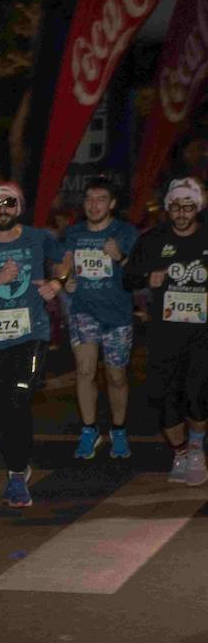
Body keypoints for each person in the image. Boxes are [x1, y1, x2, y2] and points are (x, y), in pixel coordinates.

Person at [0, 182, 69, 506]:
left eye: (8, 203)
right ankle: (16, 466)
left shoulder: (38, 238)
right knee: (1, 406)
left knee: (19, 395)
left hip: (31, 334)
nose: (2, 209)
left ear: (18, 207)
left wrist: (56, 282)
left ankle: (17, 475)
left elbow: (65, 259)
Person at [124, 178, 208, 485]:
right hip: (164, 335)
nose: (182, 212)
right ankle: (180, 452)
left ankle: (196, 449)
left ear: (197, 208)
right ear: (167, 208)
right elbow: (127, 279)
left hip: (202, 335)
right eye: (176, 206)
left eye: (188, 206)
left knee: (198, 394)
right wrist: (148, 277)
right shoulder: (152, 240)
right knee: (164, 400)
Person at [61, 178, 138, 460]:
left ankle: (118, 429)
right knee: (85, 370)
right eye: (89, 199)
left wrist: (120, 257)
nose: (94, 205)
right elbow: (64, 267)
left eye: (101, 199)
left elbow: (138, 275)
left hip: (117, 315)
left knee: (116, 376)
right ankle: (89, 430)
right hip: (84, 311)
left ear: (112, 204)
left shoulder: (125, 232)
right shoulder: (74, 233)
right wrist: (67, 279)